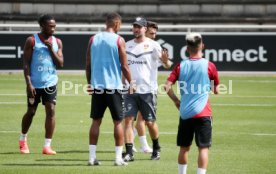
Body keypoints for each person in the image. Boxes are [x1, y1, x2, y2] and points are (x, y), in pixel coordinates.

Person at [164, 32, 219, 174]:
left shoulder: (180, 66)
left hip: (185, 113)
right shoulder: (209, 66)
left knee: (184, 147)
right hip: (204, 113)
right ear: (202, 46)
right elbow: (216, 90)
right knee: (203, 148)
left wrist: (176, 101)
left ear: (187, 48)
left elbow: (166, 87)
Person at [85, 12, 133, 166]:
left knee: (96, 121)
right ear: (117, 24)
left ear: (107, 23)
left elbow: (88, 64)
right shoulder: (119, 40)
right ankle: (118, 158)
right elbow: (124, 66)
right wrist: (131, 83)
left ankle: (92, 158)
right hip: (114, 87)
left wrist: (89, 83)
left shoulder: (93, 39)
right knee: (118, 122)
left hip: (97, 86)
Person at [123, 17, 172, 162]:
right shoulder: (126, 45)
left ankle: (156, 148)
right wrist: (122, 85)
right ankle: (129, 152)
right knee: (128, 121)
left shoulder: (154, 45)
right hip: (130, 90)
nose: (136, 29)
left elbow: (168, 65)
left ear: (145, 29)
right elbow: (123, 68)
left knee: (150, 122)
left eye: (139, 27)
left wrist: (164, 61)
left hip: (148, 90)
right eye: (134, 26)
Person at [19, 14, 64, 155]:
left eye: (54, 26)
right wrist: (29, 83)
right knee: (31, 112)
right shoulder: (32, 40)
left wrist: (51, 49)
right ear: (42, 25)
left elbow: (61, 64)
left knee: (51, 111)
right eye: (50, 26)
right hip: (34, 84)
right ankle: (23, 140)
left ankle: (47, 146)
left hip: (50, 83)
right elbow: (26, 63)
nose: (53, 28)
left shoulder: (57, 42)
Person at [132, 20, 162, 154]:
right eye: (151, 33)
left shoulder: (154, 47)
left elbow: (165, 63)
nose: (154, 36)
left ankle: (132, 141)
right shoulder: (135, 46)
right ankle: (143, 145)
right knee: (141, 119)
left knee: (141, 119)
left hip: (149, 87)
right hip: (141, 89)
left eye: (155, 33)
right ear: (145, 31)